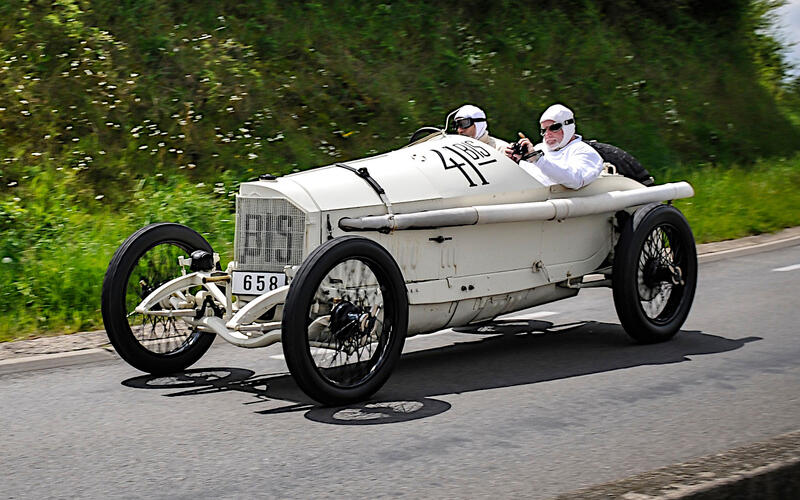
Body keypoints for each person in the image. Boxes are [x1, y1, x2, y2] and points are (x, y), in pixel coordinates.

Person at [505, 104, 603, 189]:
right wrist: (515, 161)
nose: (547, 134)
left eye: (554, 128)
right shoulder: (539, 148)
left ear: (567, 126)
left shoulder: (584, 151)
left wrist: (537, 159)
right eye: (544, 130)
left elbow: (576, 181)